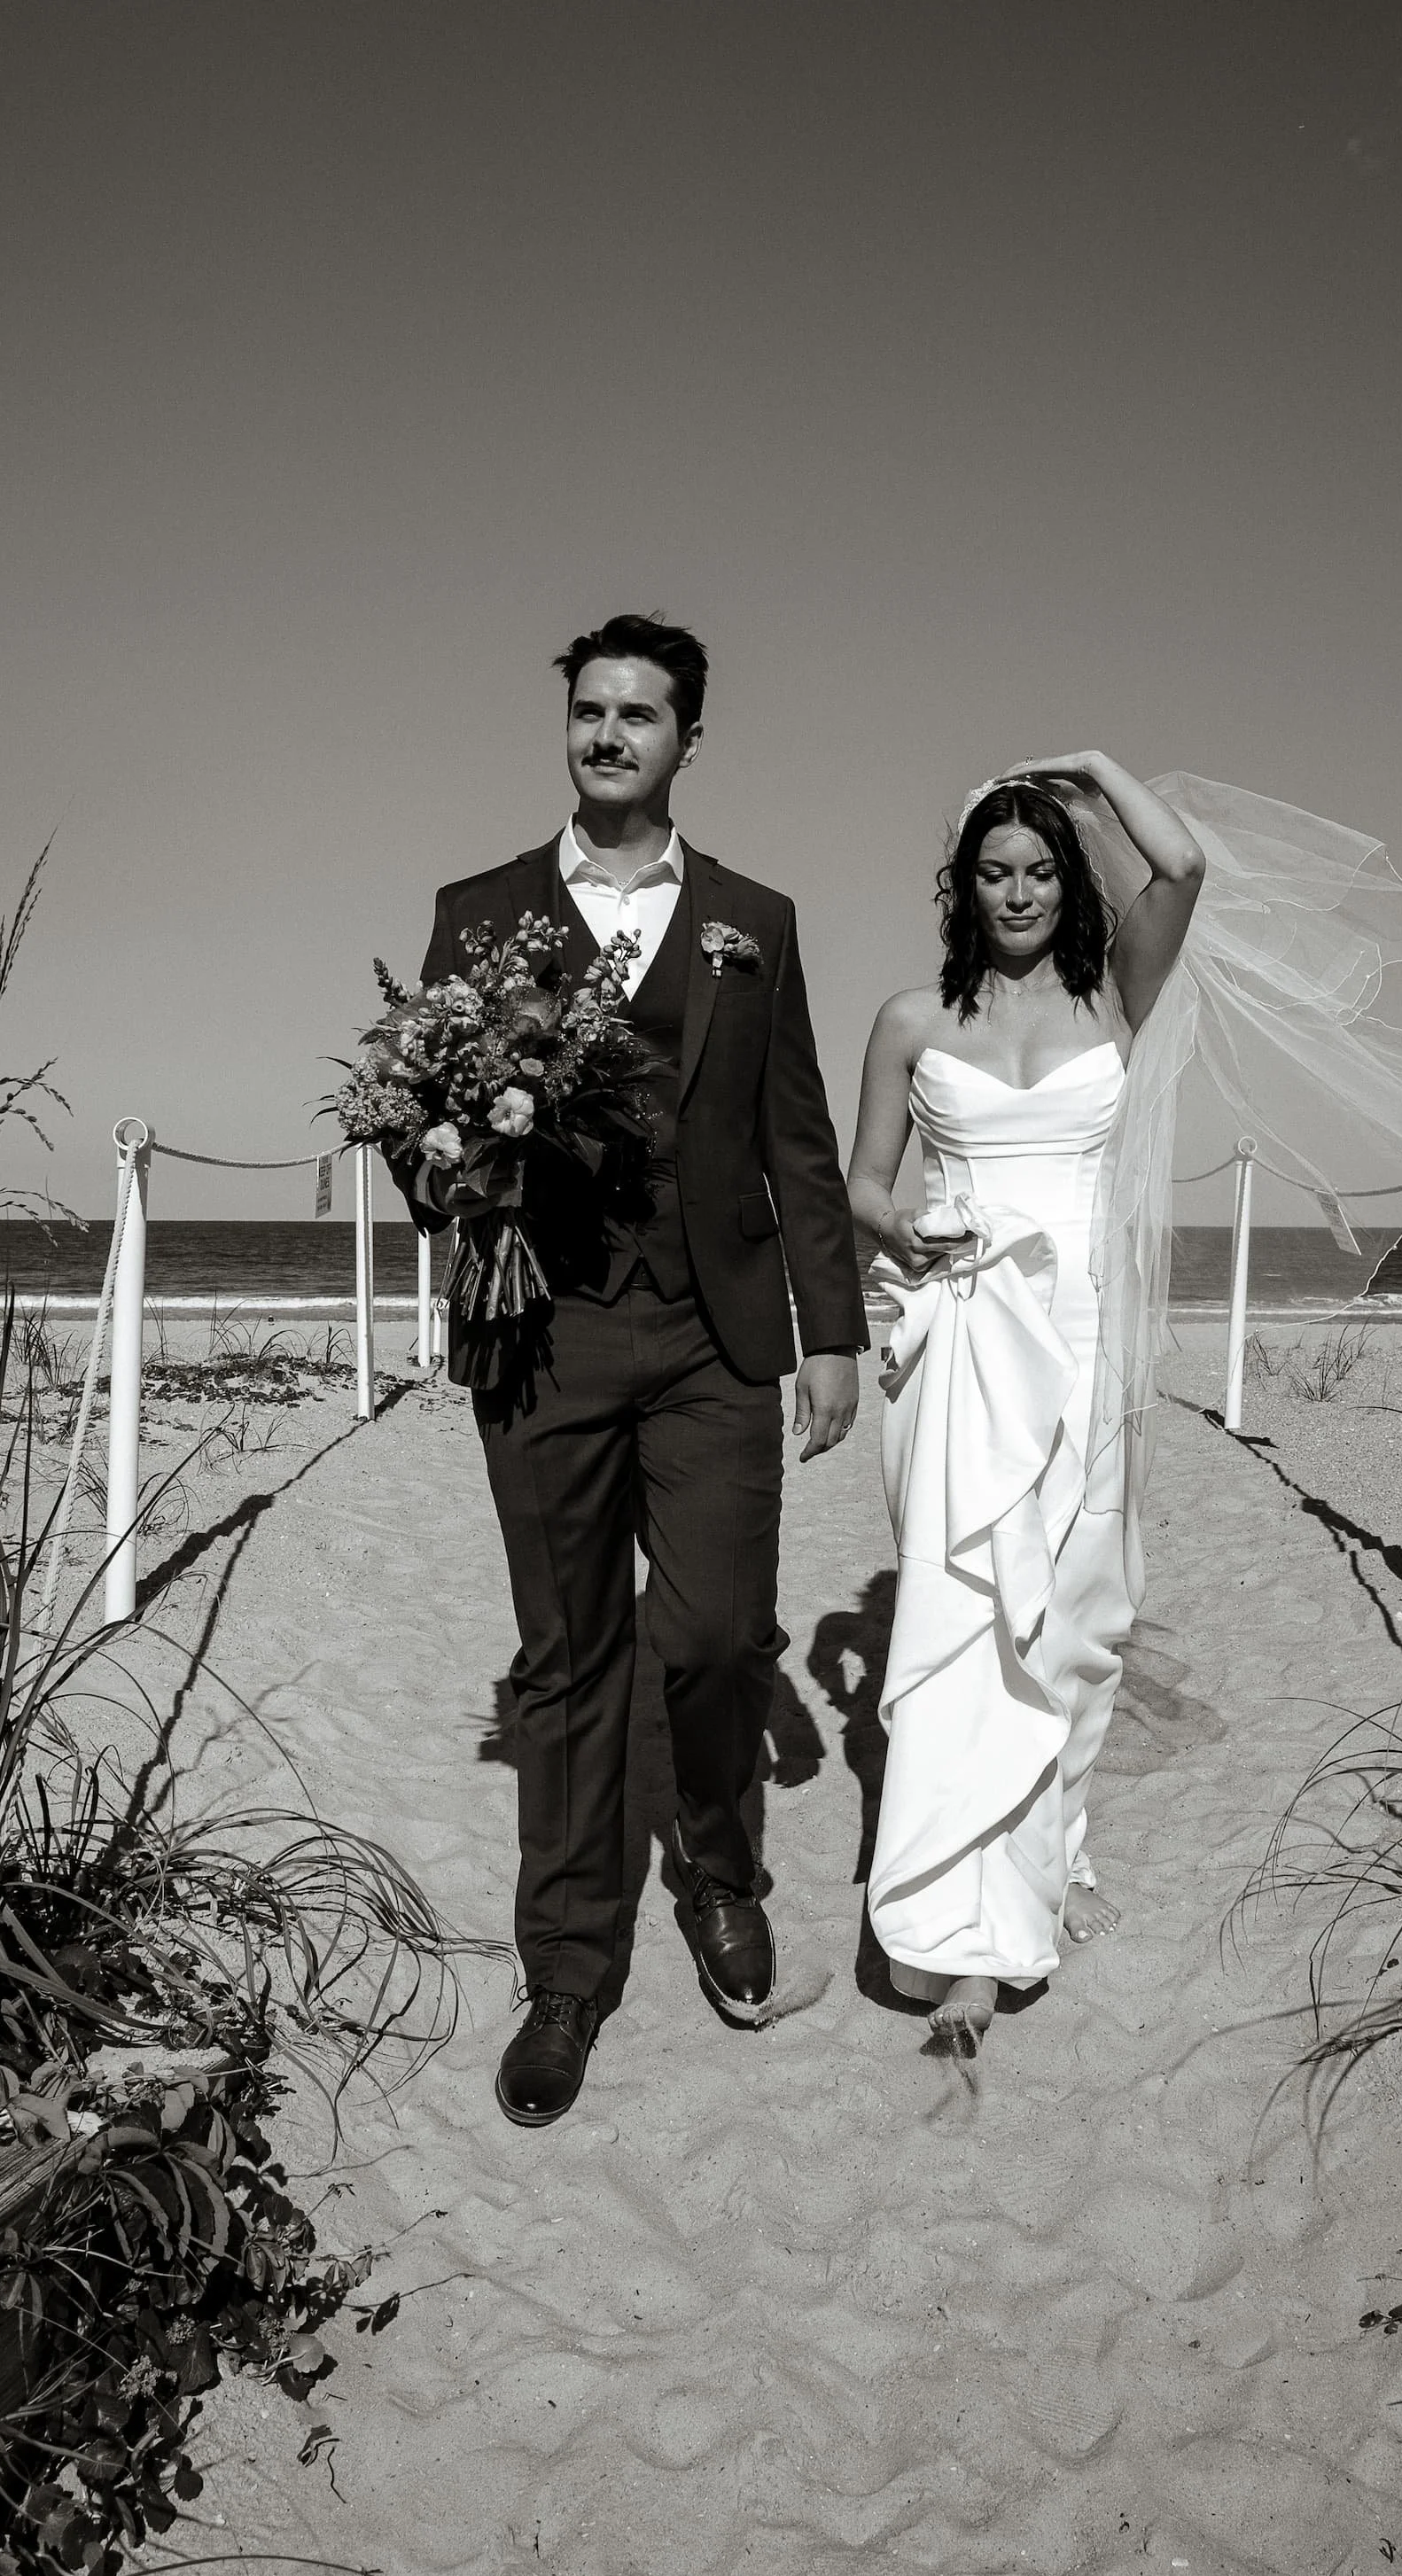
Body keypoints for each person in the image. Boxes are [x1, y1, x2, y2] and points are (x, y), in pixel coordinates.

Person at [392, 614, 866, 2127]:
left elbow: (797, 1134)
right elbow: (420, 1128)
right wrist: (449, 1153)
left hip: (716, 1335)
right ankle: (568, 1970)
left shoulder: (754, 918)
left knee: (722, 1636)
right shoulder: (477, 911)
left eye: (639, 715)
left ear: (687, 738)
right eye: (589, 712)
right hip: (543, 1335)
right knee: (569, 1657)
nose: (608, 735)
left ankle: (720, 1874)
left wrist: (831, 1329)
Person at [847, 754, 1205, 2051]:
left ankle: (1054, 1854)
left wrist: (1095, 773)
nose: (1017, 892)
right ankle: (959, 1936)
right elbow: (864, 1186)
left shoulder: (1119, 998)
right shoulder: (907, 1020)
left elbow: (1184, 868)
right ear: (963, 886)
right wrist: (923, 1239)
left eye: (1040, 869)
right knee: (959, 1612)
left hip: (1087, 1333)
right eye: (995, 871)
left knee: (1072, 1615)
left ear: (1069, 881)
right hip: (964, 1340)